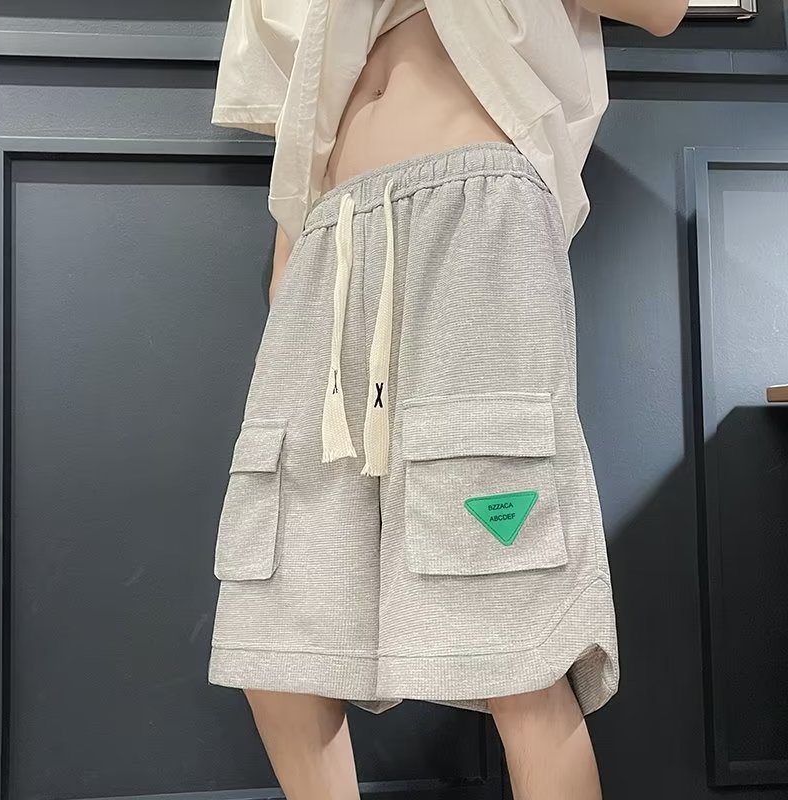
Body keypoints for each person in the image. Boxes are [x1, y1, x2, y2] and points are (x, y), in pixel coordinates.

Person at [207, 2, 688, 798]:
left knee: (515, 644)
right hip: (326, 234)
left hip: (479, 207)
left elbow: (664, 9)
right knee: (277, 634)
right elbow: (300, 116)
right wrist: (289, 278)